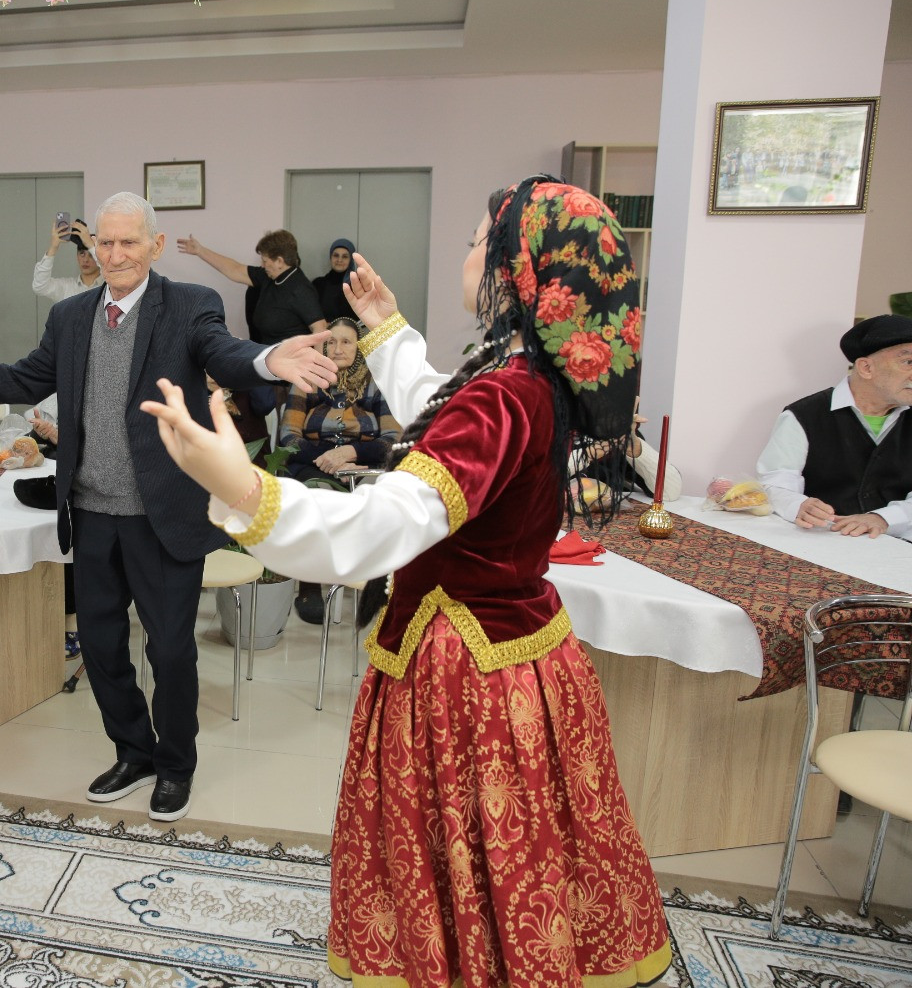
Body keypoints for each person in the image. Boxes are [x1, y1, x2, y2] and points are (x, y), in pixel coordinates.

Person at [140, 176, 670, 988]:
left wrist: (243, 489)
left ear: (516, 268)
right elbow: (449, 420)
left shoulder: (505, 393)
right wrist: (388, 330)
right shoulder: (531, 376)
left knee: (466, 836)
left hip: (467, 672)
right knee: (519, 848)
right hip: (520, 652)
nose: (467, 253)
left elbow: (379, 527)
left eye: (476, 241)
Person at [0, 191, 337, 823]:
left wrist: (265, 358)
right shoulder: (71, 316)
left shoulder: (190, 305)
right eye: (105, 242)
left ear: (155, 245)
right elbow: (22, 379)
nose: (114, 254)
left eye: (128, 242)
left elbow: (222, 350)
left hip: (161, 514)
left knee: (169, 650)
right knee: (101, 646)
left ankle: (176, 765)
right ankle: (133, 752)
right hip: (91, 513)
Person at [278, 317, 398, 623]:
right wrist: (329, 457)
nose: (337, 348)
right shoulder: (306, 379)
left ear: (359, 347)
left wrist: (351, 452)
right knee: (315, 500)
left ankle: (375, 586)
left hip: (365, 465)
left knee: (384, 502)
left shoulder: (377, 382)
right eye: (331, 342)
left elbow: (393, 440)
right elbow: (289, 438)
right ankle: (310, 587)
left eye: (346, 342)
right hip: (314, 463)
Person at [757, 313, 912, 539]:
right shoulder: (804, 415)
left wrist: (884, 518)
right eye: (908, 362)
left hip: (898, 547)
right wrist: (799, 505)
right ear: (866, 368)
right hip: (822, 541)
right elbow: (775, 482)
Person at [176, 228, 326, 343]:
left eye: (265, 261)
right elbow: (235, 270)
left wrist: (317, 371)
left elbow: (320, 328)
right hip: (269, 359)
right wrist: (200, 251)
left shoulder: (300, 289)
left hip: (291, 366)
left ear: (280, 261)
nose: (262, 265)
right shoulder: (269, 277)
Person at [32, 217, 103, 302]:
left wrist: (91, 245)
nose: (85, 260)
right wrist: (53, 247)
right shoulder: (66, 287)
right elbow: (39, 287)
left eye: (91, 255)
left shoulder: (109, 286)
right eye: (81, 253)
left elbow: (107, 266)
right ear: (77, 256)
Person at [311, 238, 357, 325]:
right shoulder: (318, 284)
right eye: (336, 255)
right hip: (322, 332)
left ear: (351, 260)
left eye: (345, 256)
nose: (339, 260)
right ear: (330, 257)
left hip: (348, 332)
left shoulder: (356, 286)